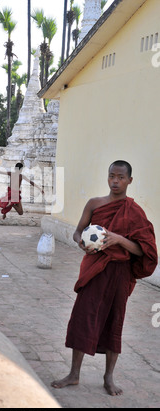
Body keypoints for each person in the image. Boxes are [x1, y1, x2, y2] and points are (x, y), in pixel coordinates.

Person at [51, 160, 158, 396]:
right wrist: (81, 243)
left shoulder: (135, 212)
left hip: (120, 272)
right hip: (94, 267)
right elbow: (78, 231)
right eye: (112, 176)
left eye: (121, 177)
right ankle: (74, 374)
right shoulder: (95, 204)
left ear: (130, 180)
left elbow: (144, 250)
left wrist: (119, 239)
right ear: (107, 177)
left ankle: (109, 376)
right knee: (83, 316)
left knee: (114, 320)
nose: (115, 181)